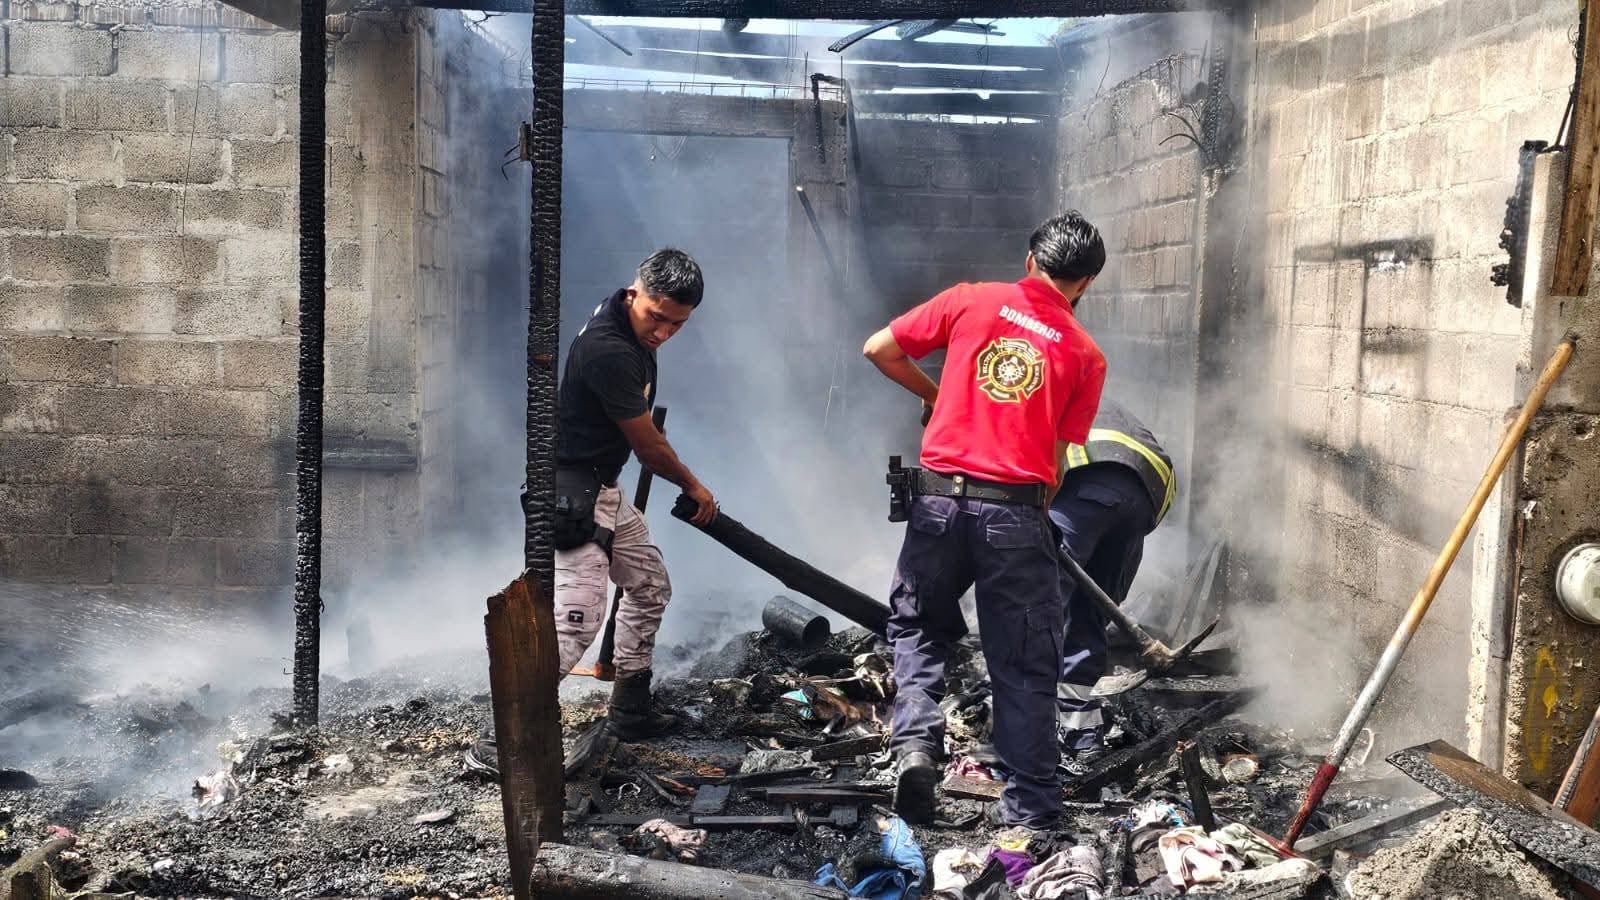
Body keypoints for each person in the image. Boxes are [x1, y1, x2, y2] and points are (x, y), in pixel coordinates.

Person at [862, 212, 1108, 830]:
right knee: (1024, 664)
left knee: (918, 627)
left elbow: (878, 349)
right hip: (1015, 514)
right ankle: (1034, 811)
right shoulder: (1085, 354)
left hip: (938, 502)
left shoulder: (970, 299)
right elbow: (1053, 464)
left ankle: (917, 745)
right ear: (1086, 284)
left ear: (1030, 262)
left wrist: (934, 394)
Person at [466, 249, 718, 778]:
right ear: (634, 292)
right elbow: (648, 448)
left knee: (649, 586)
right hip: (570, 495)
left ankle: (630, 709)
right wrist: (693, 484)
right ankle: (499, 736)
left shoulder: (631, 329)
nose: (664, 332)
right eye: (657, 317)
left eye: (678, 324)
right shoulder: (609, 350)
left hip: (603, 486)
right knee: (575, 623)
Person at [1051, 400, 1175, 767]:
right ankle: (1083, 736)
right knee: (1089, 614)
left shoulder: (1033, 398)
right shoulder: (1108, 410)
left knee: (1038, 605)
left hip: (1081, 483)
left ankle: (1026, 730)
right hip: (1142, 501)